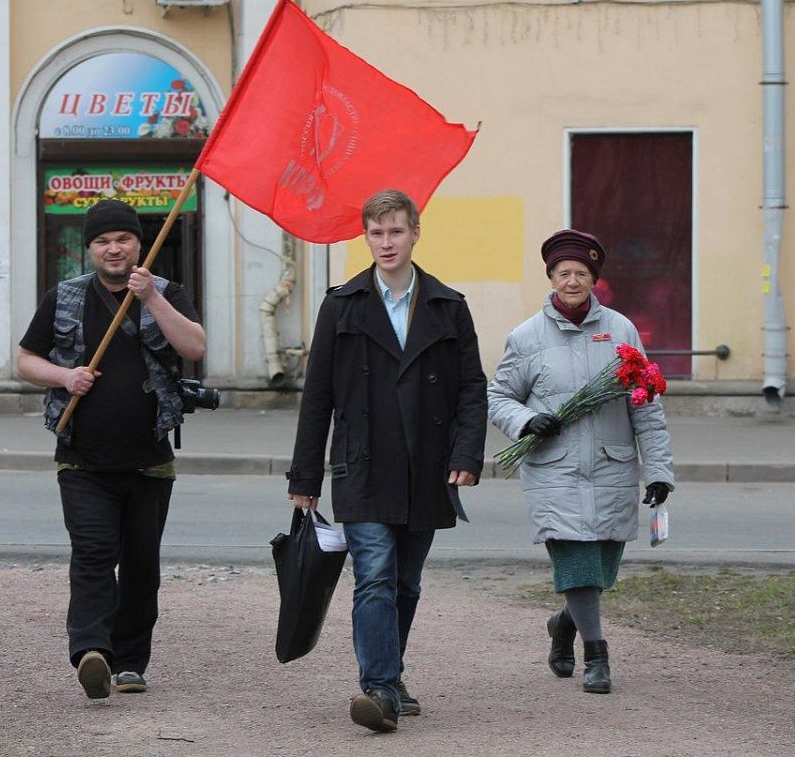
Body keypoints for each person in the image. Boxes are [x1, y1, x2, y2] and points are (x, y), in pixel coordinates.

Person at [286, 189, 487, 733]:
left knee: (406, 583)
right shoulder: (342, 305)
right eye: (376, 233)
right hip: (363, 463)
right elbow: (317, 395)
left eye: (395, 231)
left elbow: (472, 388)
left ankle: (390, 675)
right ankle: (378, 687)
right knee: (373, 575)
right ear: (366, 237)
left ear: (415, 233)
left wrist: (468, 453)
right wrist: (305, 476)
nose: (386, 242)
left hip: (428, 466)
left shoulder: (448, 306)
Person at [17, 198, 205, 699]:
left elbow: (194, 347)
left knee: (142, 564)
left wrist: (153, 300)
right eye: (102, 241)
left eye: (122, 239)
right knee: (94, 554)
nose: (113, 248)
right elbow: (25, 361)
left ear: (138, 244)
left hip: (150, 460)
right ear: (91, 249)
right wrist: (64, 375)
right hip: (82, 457)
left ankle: (130, 662)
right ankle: (91, 651)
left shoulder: (167, 292)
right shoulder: (64, 297)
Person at [487, 229, 674, 694]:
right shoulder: (527, 336)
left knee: (603, 566)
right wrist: (528, 421)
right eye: (564, 273)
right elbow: (497, 397)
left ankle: (565, 623)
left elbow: (644, 404)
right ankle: (597, 655)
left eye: (582, 274)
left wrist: (658, 471)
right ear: (551, 277)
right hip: (554, 469)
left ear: (595, 279)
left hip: (611, 465)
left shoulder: (622, 330)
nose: (573, 281)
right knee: (577, 564)